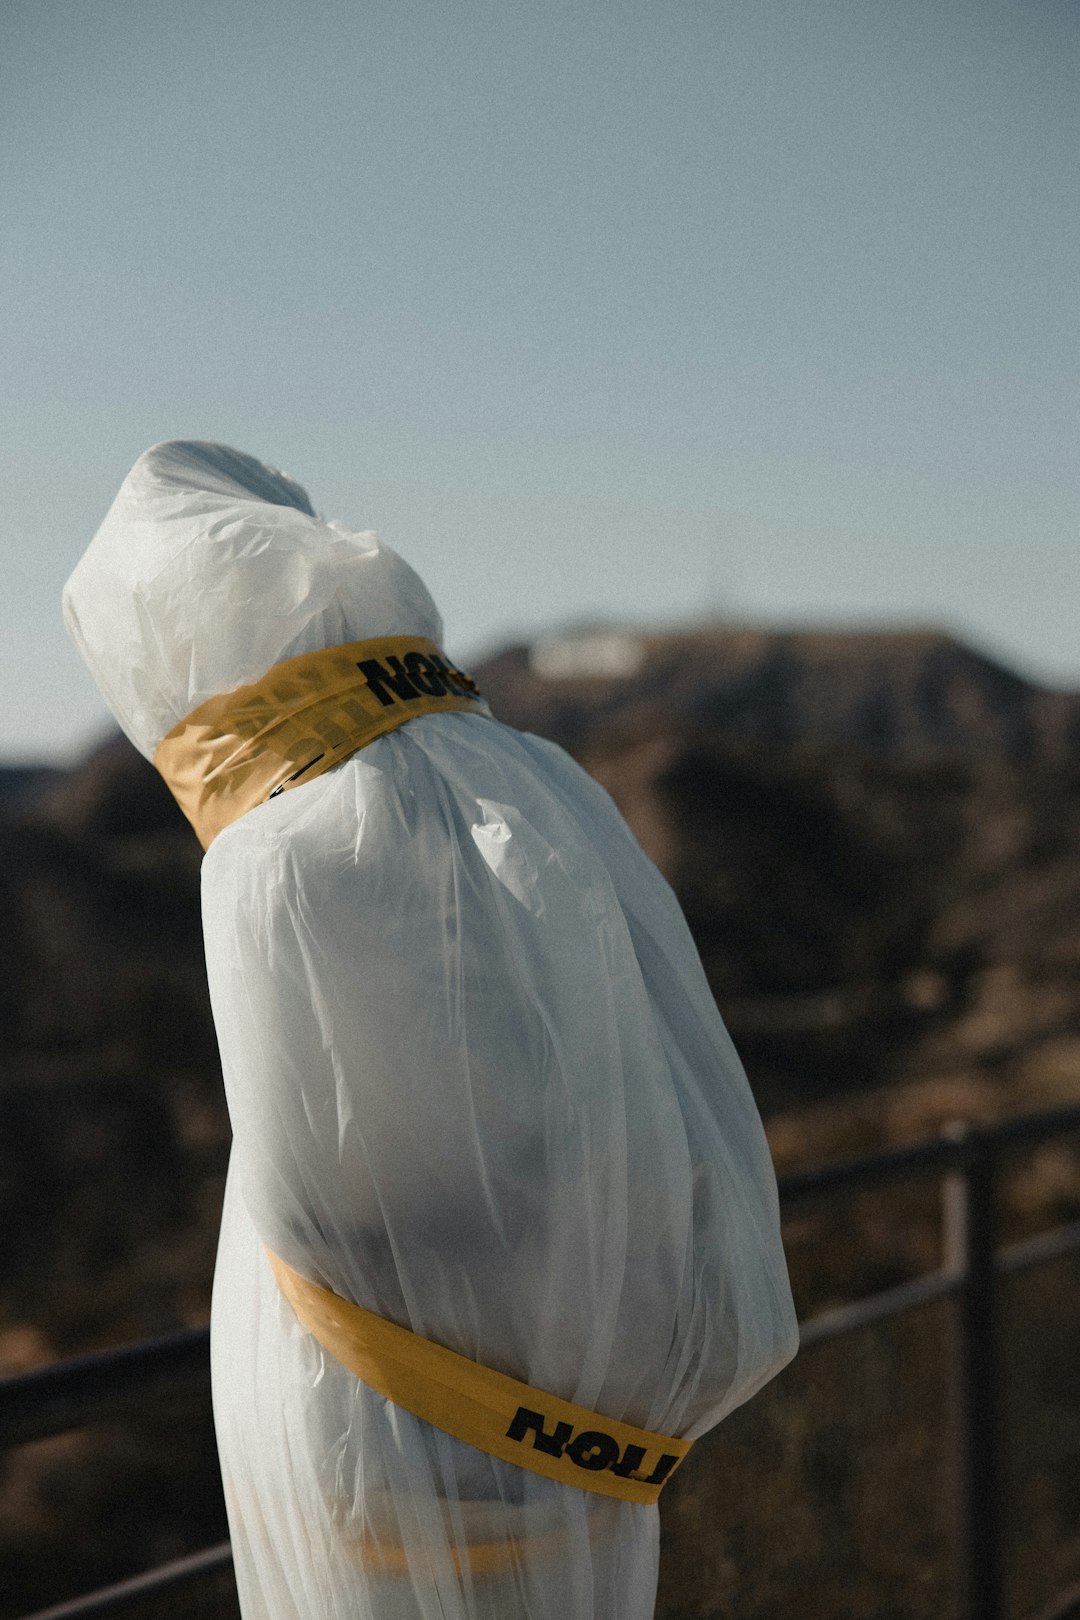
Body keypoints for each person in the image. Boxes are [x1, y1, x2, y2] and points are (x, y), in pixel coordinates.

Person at [63, 441, 797, 1620]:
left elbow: (314, 1205)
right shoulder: (538, 782)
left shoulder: (273, 861)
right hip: (568, 1396)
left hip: (377, 1409)